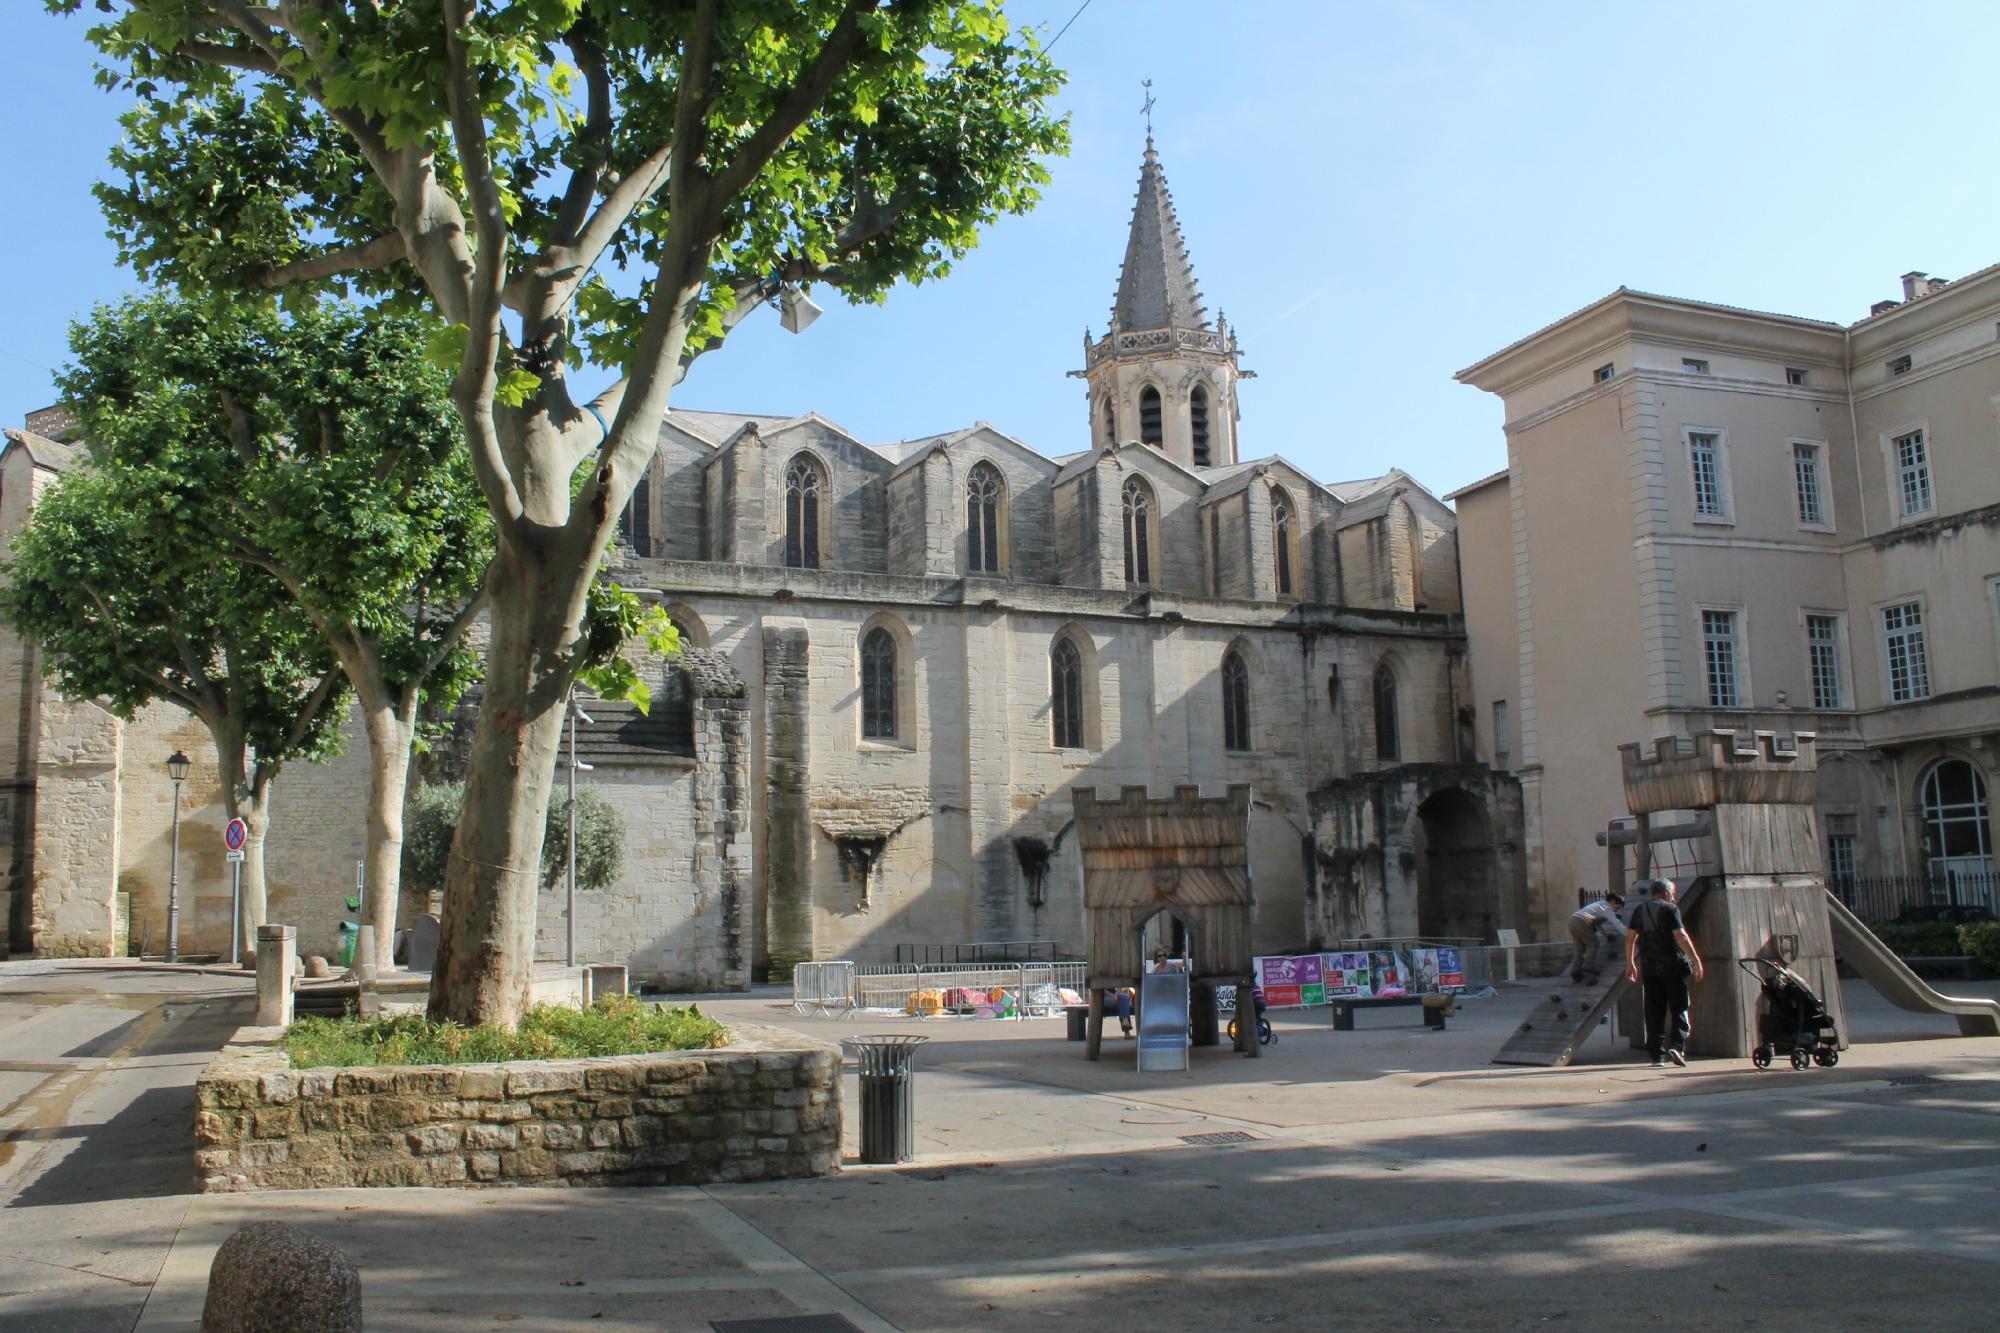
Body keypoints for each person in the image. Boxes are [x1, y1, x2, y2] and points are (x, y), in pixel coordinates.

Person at [1624, 877, 1705, 1067]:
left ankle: (1657, 1056)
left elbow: (1629, 938)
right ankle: (1677, 1046)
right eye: (1673, 894)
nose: (1674, 897)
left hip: (1650, 968)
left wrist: (1630, 963)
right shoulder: (1671, 909)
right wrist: (1695, 959)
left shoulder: (1639, 910)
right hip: (1673, 967)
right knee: (1679, 1008)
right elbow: (1680, 936)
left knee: (1654, 1011)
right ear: (1668, 893)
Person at [1568, 890, 1626, 984]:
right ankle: (1587, 968)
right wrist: (1628, 935)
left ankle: (1575, 972)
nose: (1616, 910)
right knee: (1593, 944)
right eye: (1617, 907)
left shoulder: (1598, 905)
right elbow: (1616, 923)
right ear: (1613, 902)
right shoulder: (1606, 907)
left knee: (1579, 948)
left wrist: (1605, 934)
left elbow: (1595, 923)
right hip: (1582, 922)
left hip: (1573, 921)